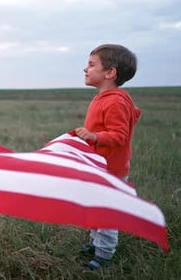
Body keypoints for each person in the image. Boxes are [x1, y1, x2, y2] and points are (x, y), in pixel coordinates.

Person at [74, 44, 142, 270]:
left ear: (110, 73)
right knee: (96, 208)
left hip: (111, 169)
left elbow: (119, 136)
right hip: (97, 166)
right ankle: (95, 243)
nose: (85, 69)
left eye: (92, 65)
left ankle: (104, 255)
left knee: (107, 213)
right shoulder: (103, 98)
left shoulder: (115, 101)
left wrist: (94, 136)